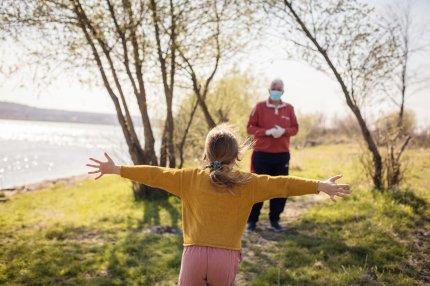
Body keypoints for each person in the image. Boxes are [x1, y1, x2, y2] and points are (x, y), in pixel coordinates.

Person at [86, 124, 351, 286]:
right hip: (226, 258)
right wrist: (319, 185)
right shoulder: (249, 182)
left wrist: (117, 169)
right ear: (237, 155)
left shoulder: (188, 178)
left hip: (193, 255)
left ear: (206, 154)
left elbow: (154, 174)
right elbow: (284, 184)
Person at [246, 78, 299, 232]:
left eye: (279, 88)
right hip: (261, 154)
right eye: (273, 88)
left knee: (280, 188)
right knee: (257, 187)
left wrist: (284, 131)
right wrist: (266, 132)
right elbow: (249, 128)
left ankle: (275, 220)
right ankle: (252, 221)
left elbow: (295, 128)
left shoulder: (289, 108)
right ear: (269, 89)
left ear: (283, 91)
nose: (276, 90)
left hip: (282, 154)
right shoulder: (260, 107)